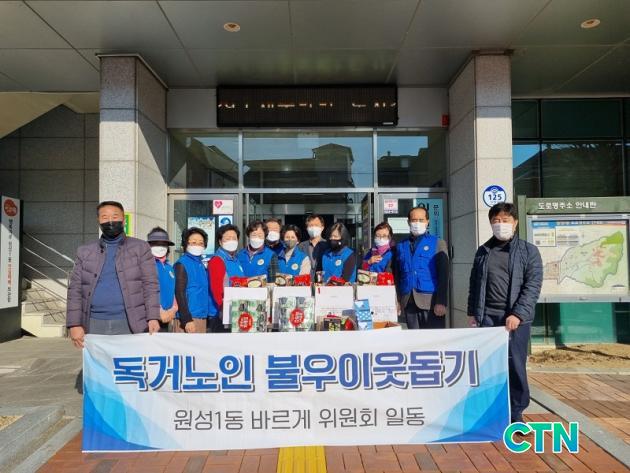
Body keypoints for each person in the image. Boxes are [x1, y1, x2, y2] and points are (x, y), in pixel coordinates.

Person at [467, 202, 543, 424]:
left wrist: (518, 314)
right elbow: (474, 283)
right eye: (496, 221)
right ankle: (490, 410)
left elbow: (532, 286)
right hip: (487, 317)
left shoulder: (529, 251)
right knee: (489, 365)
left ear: (515, 222)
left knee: (515, 365)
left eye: (505, 220)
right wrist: (472, 312)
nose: (501, 224)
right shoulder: (483, 251)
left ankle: (516, 412)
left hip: (514, 319)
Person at [66, 201, 160, 347]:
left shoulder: (140, 248)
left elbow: (150, 285)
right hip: (93, 323)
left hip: (131, 322)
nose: (110, 221)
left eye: (115, 216)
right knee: (98, 362)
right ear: (98, 221)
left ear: (123, 220)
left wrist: (153, 317)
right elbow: (75, 290)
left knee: (128, 360)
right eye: (104, 217)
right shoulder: (85, 251)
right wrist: (74, 324)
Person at [396, 206, 449, 329]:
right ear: (408, 222)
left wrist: (441, 302)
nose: (417, 223)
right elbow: (398, 275)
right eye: (414, 220)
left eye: (421, 220)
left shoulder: (437, 243)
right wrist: (397, 300)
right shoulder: (401, 245)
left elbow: (444, 275)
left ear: (427, 222)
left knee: (434, 339)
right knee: (414, 339)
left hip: (431, 303)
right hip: (408, 301)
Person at [208, 224, 245, 331]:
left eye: (234, 238)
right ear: (220, 242)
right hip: (221, 314)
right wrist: (222, 308)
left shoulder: (235, 260)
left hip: (235, 310)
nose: (231, 241)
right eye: (227, 238)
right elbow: (216, 289)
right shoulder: (218, 260)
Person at [174, 227, 210, 333]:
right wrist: (186, 319)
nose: (197, 245)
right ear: (186, 244)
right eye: (193, 242)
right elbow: (179, 293)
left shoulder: (201, 264)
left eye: (201, 243)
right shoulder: (182, 264)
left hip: (201, 316)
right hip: (188, 319)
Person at [147, 227, 177, 332]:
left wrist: (173, 309)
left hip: (167, 317)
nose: (159, 247)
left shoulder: (169, 267)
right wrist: (158, 310)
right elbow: (144, 290)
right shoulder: (146, 265)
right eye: (155, 244)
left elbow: (173, 291)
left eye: (163, 244)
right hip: (151, 317)